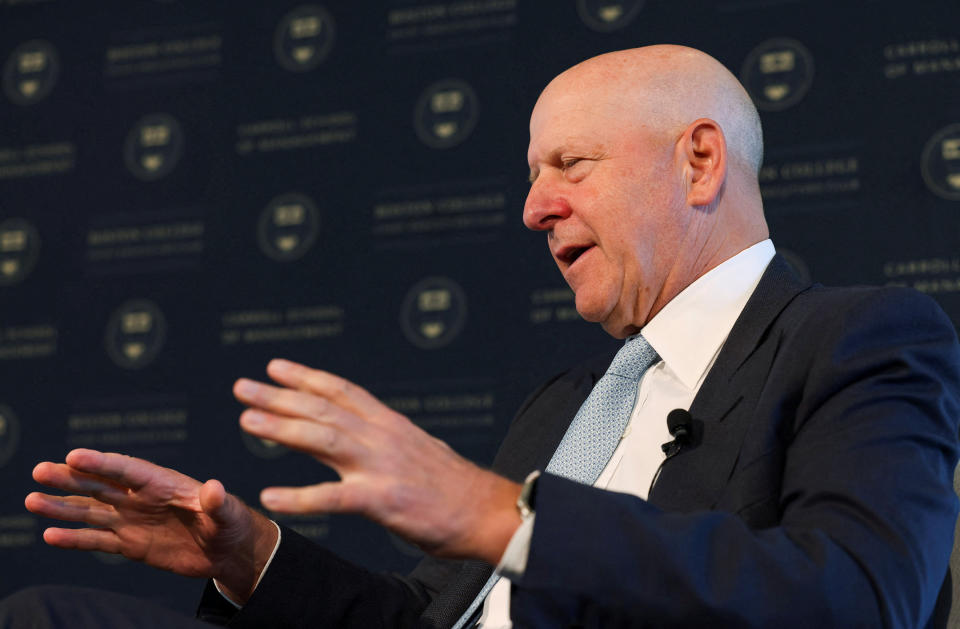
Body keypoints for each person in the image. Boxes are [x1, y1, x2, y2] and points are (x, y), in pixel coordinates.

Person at [4, 44, 959, 628]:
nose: (536, 207)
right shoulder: (570, 400)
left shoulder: (856, 338)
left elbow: (863, 597)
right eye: (534, 173)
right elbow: (435, 616)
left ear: (699, 160)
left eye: (572, 165)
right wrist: (254, 557)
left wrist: (508, 517)